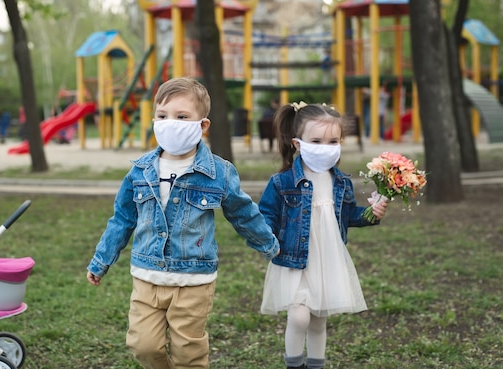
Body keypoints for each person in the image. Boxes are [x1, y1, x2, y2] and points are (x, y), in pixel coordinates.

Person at [86, 77, 279, 369]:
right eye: (162, 116)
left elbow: (243, 213)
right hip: (147, 276)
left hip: (193, 281)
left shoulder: (219, 172)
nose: (170, 123)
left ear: (202, 125)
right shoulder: (140, 171)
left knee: (188, 354)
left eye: (181, 116)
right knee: (143, 347)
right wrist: (101, 261)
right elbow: (123, 218)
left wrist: (268, 245)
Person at [258, 102, 389, 369]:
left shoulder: (341, 182)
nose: (325, 147)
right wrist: (267, 239)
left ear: (341, 142)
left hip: (327, 259)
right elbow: (266, 215)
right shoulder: (281, 182)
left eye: (332, 141)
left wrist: (371, 213)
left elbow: (349, 214)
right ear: (298, 143)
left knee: (318, 320)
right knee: (299, 317)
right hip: (294, 260)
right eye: (316, 140)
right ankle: (293, 365)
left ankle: (316, 365)